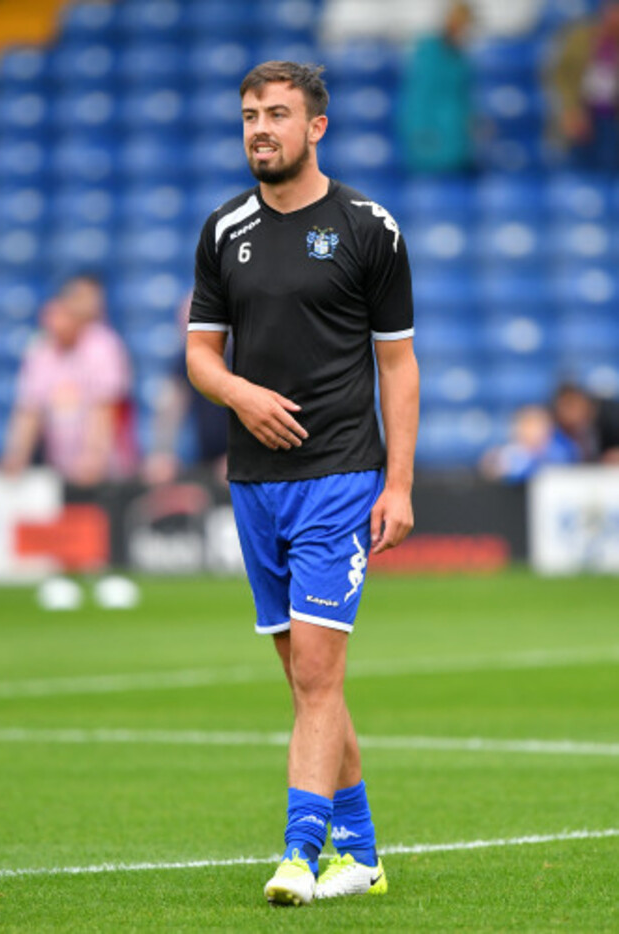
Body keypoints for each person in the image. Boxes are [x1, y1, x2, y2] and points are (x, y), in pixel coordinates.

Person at [186, 61, 419, 906]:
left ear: (316, 127)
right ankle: (362, 854)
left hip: (341, 476)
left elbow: (398, 365)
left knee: (318, 676)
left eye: (277, 114)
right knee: (305, 680)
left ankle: (299, 854)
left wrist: (397, 483)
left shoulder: (369, 228)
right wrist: (239, 392)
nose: (260, 128)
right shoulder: (222, 230)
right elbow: (200, 355)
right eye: (250, 114)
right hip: (255, 483)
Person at [0, 275, 137, 486]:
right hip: (61, 471)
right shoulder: (40, 350)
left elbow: (105, 407)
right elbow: (29, 410)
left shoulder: (103, 346)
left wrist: (94, 455)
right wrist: (16, 455)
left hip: (108, 471)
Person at [143, 294, 227, 486]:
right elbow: (170, 409)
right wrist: (162, 453)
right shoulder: (185, 360)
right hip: (206, 459)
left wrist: (241, 457)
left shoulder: (241, 359)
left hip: (242, 460)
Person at [398, 1, 475, 174]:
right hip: (432, 147)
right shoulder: (429, 54)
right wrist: (423, 141)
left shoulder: (460, 58)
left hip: (457, 146)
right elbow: (419, 101)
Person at [545, 0, 619, 172]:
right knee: (580, 170)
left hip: (612, 120)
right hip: (582, 115)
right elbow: (560, 75)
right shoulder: (580, 37)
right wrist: (570, 109)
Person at [479, 404, 579, 482]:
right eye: (527, 425)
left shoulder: (561, 450)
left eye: (537, 425)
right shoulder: (510, 453)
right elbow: (492, 470)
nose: (532, 431)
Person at [552, 382, 619, 464]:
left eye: (574, 405)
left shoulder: (610, 421)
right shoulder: (551, 430)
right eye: (565, 406)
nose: (571, 413)